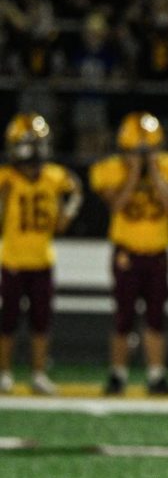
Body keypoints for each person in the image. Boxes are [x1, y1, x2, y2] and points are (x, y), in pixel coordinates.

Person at [89, 111, 168, 395]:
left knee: (157, 316)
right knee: (124, 316)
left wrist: (153, 170)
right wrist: (134, 172)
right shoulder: (111, 169)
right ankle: (118, 374)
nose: (143, 156)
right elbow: (117, 205)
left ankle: (156, 375)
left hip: (158, 251)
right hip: (126, 253)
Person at [0, 113, 82, 395]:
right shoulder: (6, 179)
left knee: (41, 322)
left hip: (42, 259)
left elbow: (75, 191)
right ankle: (4, 373)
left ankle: (38, 374)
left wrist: (66, 214)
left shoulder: (54, 176)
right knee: (7, 321)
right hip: (11, 259)